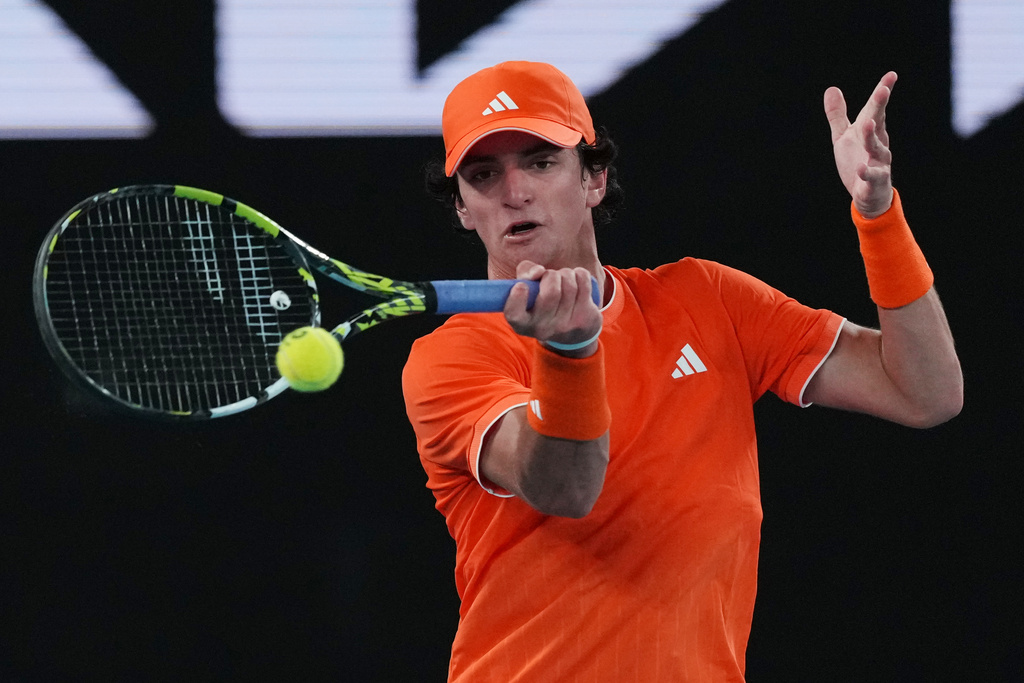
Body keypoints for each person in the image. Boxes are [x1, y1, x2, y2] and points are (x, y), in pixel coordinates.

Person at [401, 61, 962, 682]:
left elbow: (924, 392)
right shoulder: (451, 357)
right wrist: (571, 353)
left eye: (540, 161)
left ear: (594, 178)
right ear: (462, 209)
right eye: (483, 175)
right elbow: (565, 488)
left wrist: (879, 217)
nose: (514, 192)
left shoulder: (708, 299)